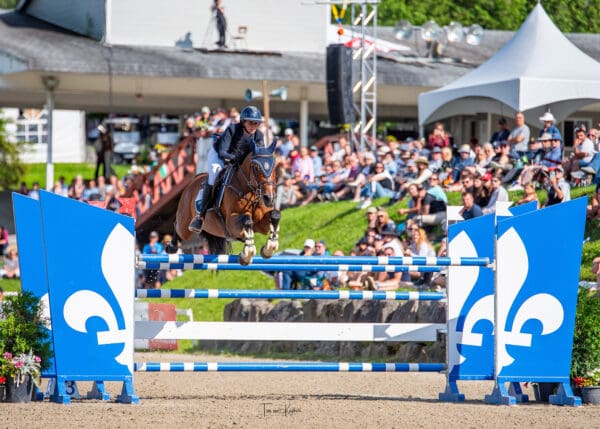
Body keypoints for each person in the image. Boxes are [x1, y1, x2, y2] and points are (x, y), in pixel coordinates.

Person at [189, 105, 264, 232]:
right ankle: (200, 216)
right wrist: (236, 159)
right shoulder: (232, 129)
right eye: (250, 122)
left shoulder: (258, 135)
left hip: (239, 160)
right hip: (219, 155)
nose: (253, 126)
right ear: (243, 121)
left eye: (256, 123)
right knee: (214, 174)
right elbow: (222, 152)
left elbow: (259, 154)